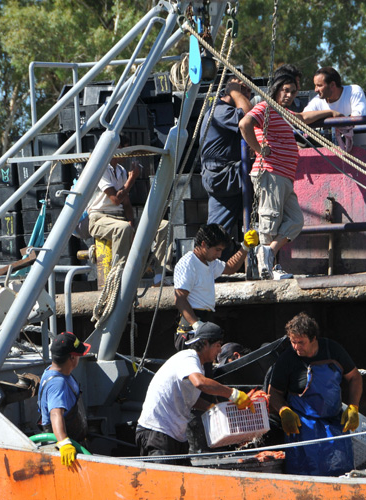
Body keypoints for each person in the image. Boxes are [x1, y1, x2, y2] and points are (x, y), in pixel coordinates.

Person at [239, 73, 341, 280]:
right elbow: (244, 124)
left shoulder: (282, 112)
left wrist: (329, 111)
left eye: (293, 92)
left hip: (284, 176)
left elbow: (302, 118)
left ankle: (269, 256)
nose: (289, 95)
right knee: (270, 220)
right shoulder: (266, 107)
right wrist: (259, 148)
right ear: (276, 89)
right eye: (285, 90)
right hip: (270, 171)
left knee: (295, 220)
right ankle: (266, 271)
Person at [135, 322, 253, 462]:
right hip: (157, 433)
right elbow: (200, 382)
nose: (220, 350)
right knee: (163, 481)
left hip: (176, 436)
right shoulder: (188, 358)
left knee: (184, 481)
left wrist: (211, 408)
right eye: (217, 345)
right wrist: (233, 394)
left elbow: (189, 399)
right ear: (205, 343)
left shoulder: (198, 366)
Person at [268, 312, 363, 476]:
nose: (297, 347)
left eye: (301, 342)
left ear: (313, 339)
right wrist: (284, 411)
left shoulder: (332, 350)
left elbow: (354, 377)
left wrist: (354, 406)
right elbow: (273, 392)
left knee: (340, 472)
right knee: (305, 474)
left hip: (334, 422)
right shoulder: (287, 359)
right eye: (293, 342)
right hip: (303, 426)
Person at [86, 134, 169, 281]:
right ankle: (119, 277)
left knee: (163, 226)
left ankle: (159, 274)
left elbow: (126, 203)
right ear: (117, 149)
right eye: (126, 149)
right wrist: (131, 179)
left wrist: (131, 222)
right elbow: (116, 199)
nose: (128, 153)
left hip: (119, 217)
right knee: (123, 229)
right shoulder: (101, 169)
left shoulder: (121, 171)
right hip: (99, 217)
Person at [173, 223, 257, 350]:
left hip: (206, 323)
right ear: (203, 244)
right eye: (217, 250)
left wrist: (244, 247)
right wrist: (196, 325)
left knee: (207, 368)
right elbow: (180, 299)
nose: (219, 255)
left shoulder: (209, 262)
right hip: (191, 331)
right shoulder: (188, 263)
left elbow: (230, 267)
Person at [200, 74, 253, 247]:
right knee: (267, 167)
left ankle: (206, 261)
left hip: (225, 174)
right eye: (243, 89)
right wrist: (235, 92)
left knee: (217, 228)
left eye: (249, 91)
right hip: (222, 176)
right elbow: (249, 117)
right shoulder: (219, 110)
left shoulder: (224, 110)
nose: (247, 94)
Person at [37, 332, 92, 467]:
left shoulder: (54, 372)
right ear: (72, 358)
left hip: (78, 441)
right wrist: (64, 442)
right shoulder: (58, 383)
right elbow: (55, 413)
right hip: (67, 453)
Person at [303, 66, 366, 147]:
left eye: (319, 85)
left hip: (365, 152)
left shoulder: (354, 91)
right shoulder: (317, 100)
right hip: (334, 154)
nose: (316, 90)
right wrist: (330, 113)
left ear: (332, 85)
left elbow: (358, 118)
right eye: (315, 85)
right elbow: (304, 117)